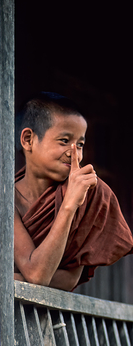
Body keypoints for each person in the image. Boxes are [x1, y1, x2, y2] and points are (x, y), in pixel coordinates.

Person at [14, 92, 133, 291]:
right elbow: (38, 275)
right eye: (64, 141)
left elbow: (64, 279)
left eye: (80, 144)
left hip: (51, 318)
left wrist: (69, 205)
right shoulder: (2, 199)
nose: (74, 153)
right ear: (28, 140)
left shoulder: (89, 193)